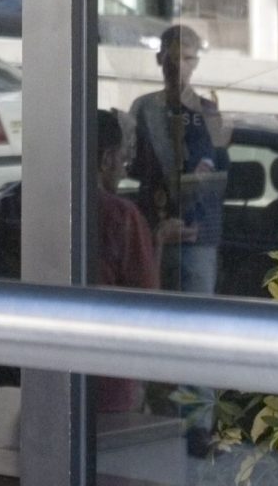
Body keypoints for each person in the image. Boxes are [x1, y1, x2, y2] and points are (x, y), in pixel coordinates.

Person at [128, 23, 228, 452]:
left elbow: (223, 171)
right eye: (172, 58)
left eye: (187, 58)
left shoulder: (208, 110)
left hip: (197, 237)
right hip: (155, 231)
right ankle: (158, 415)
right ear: (159, 61)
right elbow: (132, 166)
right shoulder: (143, 108)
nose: (178, 67)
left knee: (194, 330)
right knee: (151, 326)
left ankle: (197, 424)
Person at [93, 108, 159, 414]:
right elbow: (145, 301)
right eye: (122, 160)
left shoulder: (37, 206)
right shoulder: (121, 217)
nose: (123, 170)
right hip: (109, 376)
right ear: (106, 159)